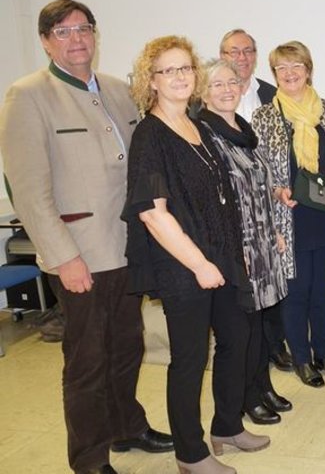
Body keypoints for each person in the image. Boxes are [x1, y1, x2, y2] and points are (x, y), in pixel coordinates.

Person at [0, 0, 173, 474]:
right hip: (79, 254)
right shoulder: (27, 96)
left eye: (83, 29)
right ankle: (90, 458)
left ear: (95, 34)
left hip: (127, 249)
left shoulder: (118, 90)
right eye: (62, 31)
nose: (76, 39)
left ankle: (127, 427)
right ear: (45, 41)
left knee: (128, 346)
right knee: (88, 361)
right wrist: (62, 257)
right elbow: (28, 191)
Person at [123, 36, 268, 474]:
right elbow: (153, 213)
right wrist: (199, 264)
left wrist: (233, 254)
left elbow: (221, 196)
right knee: (189, 359)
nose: (180, 77)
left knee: (236, 340)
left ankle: (227, 426)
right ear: (151, 80)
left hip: (220, 256)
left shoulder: (198, 126)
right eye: (168, 70)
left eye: (185, 68)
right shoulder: (150, 135)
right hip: (184, 265)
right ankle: (190, 453)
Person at [196, 59, 293, 427]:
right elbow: (217, 200)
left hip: (263, 242)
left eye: (232, 82)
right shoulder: (205, 134)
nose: (227, 90)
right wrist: (235, 248)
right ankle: (246, 398)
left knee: (262, 325)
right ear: (203, 92)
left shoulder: (243, 128)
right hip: (238, 248)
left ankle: (262, 386)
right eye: (217, 84)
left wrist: (274, 231)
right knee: (242, 331)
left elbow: (259, 188)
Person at [253, 41, 325, 389]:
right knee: (296, 290)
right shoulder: (264, 117)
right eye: (282, 68)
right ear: (274, 74)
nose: (290, 73)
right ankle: (301, 358)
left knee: (323, 289)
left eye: (296, 65)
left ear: (308, 70)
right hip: (289, 217)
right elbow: (259, 171)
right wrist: (276, 190)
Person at [219, 29, 292, 372]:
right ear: (222, 56)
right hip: (233, 207)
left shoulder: (274, 95)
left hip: (271, 201)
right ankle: (249, 350)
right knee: (244, 284)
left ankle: (275, 345)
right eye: (234, 51)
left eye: (248, 50)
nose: (242, 57)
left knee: (273, 278)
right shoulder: (210, 102)